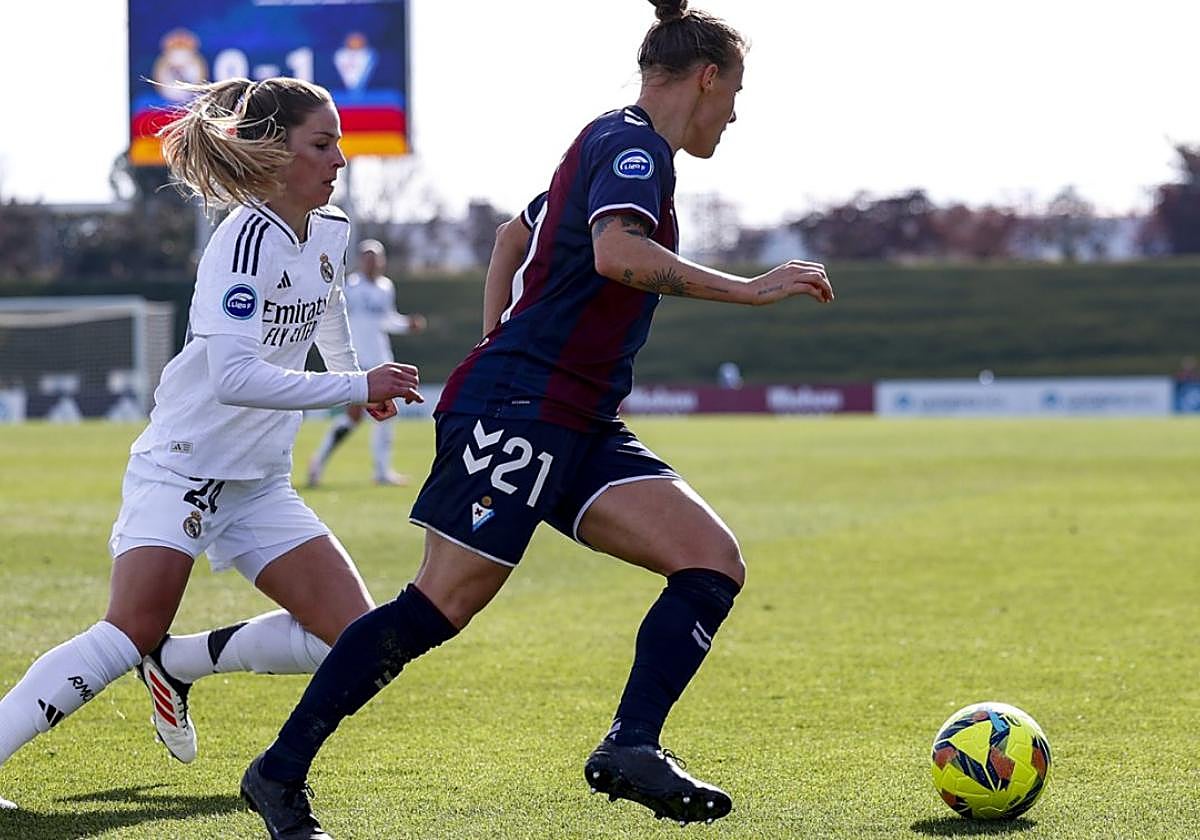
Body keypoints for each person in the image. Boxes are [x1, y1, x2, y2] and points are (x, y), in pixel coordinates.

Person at [240, 3, 833, 836]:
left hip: (574, 417)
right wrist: (748, 287)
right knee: (437, 607)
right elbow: (617, 254)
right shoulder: (632, 148)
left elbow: (509, 239)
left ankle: (631, 746)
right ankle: (278, 772)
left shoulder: (610, 143)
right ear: (706, 77)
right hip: (523, 407)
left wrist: (495, 341)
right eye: (734, 91)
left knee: (711, 562)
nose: (735, 113)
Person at [0, 76, 424, 804]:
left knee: (354, 640)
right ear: (271, 154)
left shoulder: (330, 227)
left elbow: (323, 310)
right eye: (323, 144)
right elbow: (233, 377)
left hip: (259, 481)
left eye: (339, 142)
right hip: (185, 469)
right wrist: (359, 388)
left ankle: (181, 665)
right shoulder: (241, 241)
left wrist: (353, 372)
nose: (340, 160)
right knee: (128, 629)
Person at [307, 238, 427, 487]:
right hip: (358, 362)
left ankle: (379, 471)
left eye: (376, 258)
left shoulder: (385, 288)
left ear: (382, 261)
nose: (372, 263)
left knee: (382, 415)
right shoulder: (350, 288)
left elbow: (386, 320)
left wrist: (406, 324)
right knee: (355, 417)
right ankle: (319, 463)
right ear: (361, 261)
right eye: (367, 258)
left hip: (381, 360)